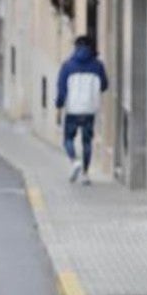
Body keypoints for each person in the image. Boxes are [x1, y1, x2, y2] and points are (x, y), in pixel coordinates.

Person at [55, 36, 108, 185]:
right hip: (90, 109)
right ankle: (85, 173)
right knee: (87, 142)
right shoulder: (98, 66)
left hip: (72, 109)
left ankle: (74, 160)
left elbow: (61, 89)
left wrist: (59, 106)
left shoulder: (67, 66)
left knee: (68, 139)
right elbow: (104, 85)